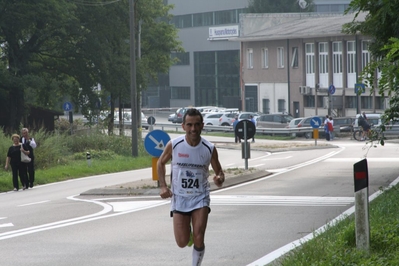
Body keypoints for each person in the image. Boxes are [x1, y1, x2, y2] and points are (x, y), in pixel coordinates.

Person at [157, 108, 224, 266]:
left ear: (202, 125)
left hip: (200, 196)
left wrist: (219, 179)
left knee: (200, 236)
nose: (193, 129)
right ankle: (189, 233)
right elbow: (160, 163)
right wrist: (163, 186)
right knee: (182, 242)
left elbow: (220, 172)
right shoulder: (174, 144)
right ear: (183, 126)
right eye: (189, 125)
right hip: (180, 197)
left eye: (196, 125)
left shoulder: (209, 148)